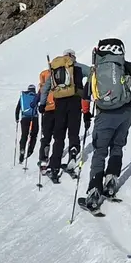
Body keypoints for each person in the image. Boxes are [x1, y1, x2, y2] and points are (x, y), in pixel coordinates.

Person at [78, 38, 131, 214]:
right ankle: (111, 181)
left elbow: (86, 95)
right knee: (117, 146)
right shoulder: (125, 65)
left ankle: (94, 191)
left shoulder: (96, 69)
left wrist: (86, 114)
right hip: (125, 115)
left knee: (99, 152)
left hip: (104, 116)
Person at [37, 51, 90, 183]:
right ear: (73, 57)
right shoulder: (78, 67)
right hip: (76, 101)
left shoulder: (55, 68)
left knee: (59, 135)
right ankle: (72, 152)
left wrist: (42, 104)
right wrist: (87, 91)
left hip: (59, 104)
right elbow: (92, 73)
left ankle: (54, 167)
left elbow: (46, 87)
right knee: (73, 131)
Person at [15, 84, 41, 165]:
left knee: (24, 135)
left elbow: (18, 108)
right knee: (34, 134)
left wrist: (17, 118)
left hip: (25, 118)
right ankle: (30, 150)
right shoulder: (36, 96)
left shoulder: (23, 96)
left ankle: (22, 149)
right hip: (34, 118)